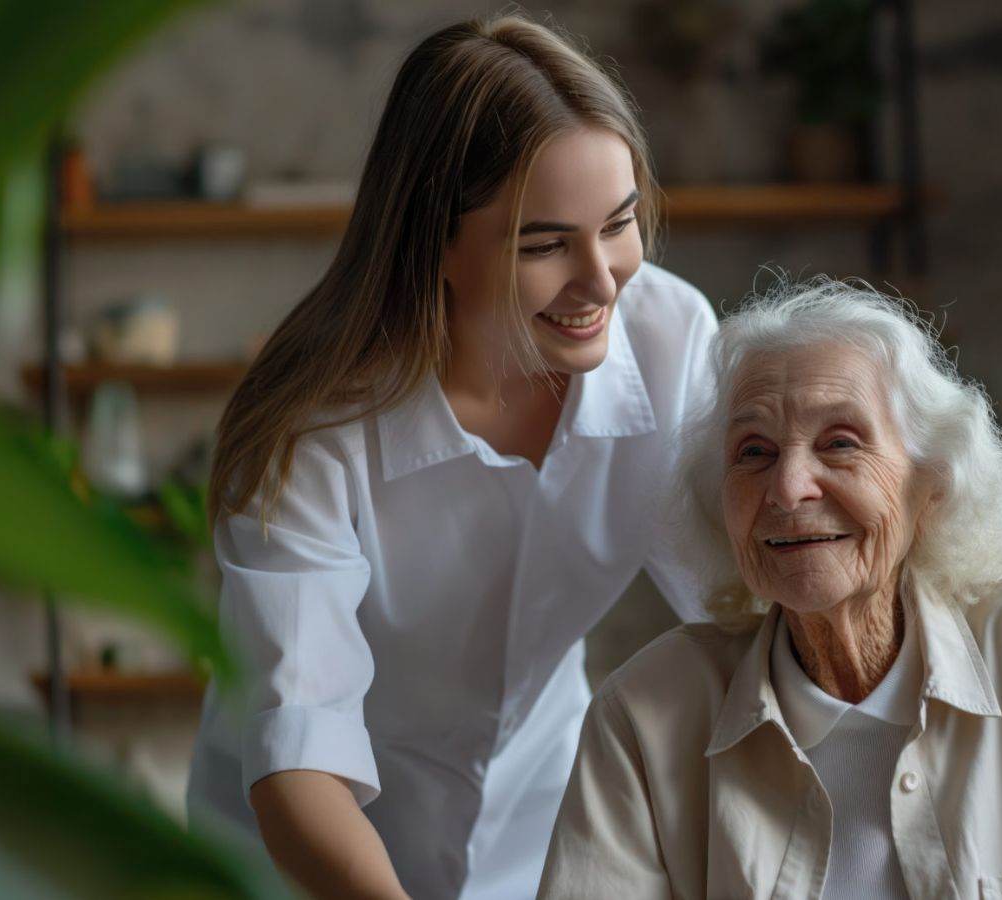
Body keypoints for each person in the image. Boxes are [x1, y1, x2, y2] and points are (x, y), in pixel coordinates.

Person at [185, 15, 716, 899]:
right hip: (302, 857)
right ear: (435, 240)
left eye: (619, 225)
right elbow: (298, 759)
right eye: (544, 244)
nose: (603, 279)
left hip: (537, 825)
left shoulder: (669, 340)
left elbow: (743, 614)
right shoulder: (312, 430)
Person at [538, 278, 1002, 899]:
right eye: (754, 452)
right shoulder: (646, 719)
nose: (790, 486)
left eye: (840, 442)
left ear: (930, 485)